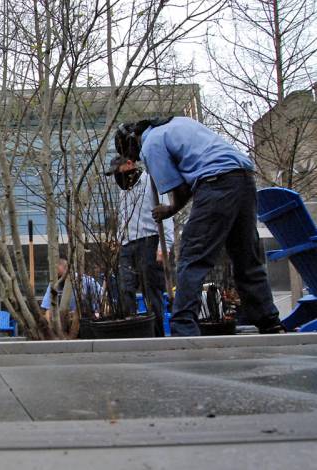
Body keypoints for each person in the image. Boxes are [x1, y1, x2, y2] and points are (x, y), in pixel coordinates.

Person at [112, 116, 284, 336]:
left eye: (133, 155)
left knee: (192, 256)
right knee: (246, 257)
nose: (137, 159)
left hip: (215, 183)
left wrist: (170, 209)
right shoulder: (178, 123)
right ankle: (269, 322)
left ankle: (183, 327)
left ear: (132, 141)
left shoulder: (151, 143)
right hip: (244, 178)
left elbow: (180, 190)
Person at [105, 158, 173, 337]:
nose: (117, 176)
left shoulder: (151, 182)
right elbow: (123, 218)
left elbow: (165, 214)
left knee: (151, 291)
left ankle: (156, 335)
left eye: (118, 170)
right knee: (125, 288)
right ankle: (131, 332)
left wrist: (164, 247)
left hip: (149, 241)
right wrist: (119, 241)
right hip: (127, 244)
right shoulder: (123, 192)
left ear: (129, 164)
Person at [41, 258, 103, 322]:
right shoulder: (54, 284)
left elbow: (102, 297)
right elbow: (48, 308)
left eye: (58, 269)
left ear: (67, 269)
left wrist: (96, 314)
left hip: (86, 320)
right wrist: (51, 326)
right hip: (62, 322)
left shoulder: (85, 281)